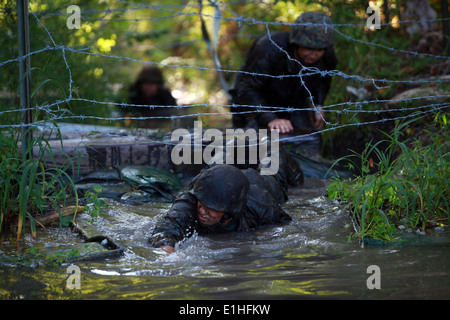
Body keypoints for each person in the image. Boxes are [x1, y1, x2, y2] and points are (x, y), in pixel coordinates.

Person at [148, 148, 303, 253]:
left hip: (263, 183)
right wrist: (166, 252)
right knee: (222, 156)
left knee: (273, 157)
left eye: (210, 207)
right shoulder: (191, 200)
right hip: (227, 163)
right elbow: (167, 228)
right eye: (202, 204)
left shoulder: (262, 206)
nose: (202, 211)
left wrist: (264, 232)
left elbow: (285, 223)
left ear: (230, 211)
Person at [230, 11, 338, 134]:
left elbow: (322, 81)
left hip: (292, 103)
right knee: (250, 145)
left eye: (319, 49)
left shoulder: (327, 56)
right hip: (252, 103)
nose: (314, 54)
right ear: (296, 43)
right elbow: (247, 88)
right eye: (308, 48)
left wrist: (318, 104)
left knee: (306, 138)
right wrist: (270, 118)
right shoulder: (269, 48)